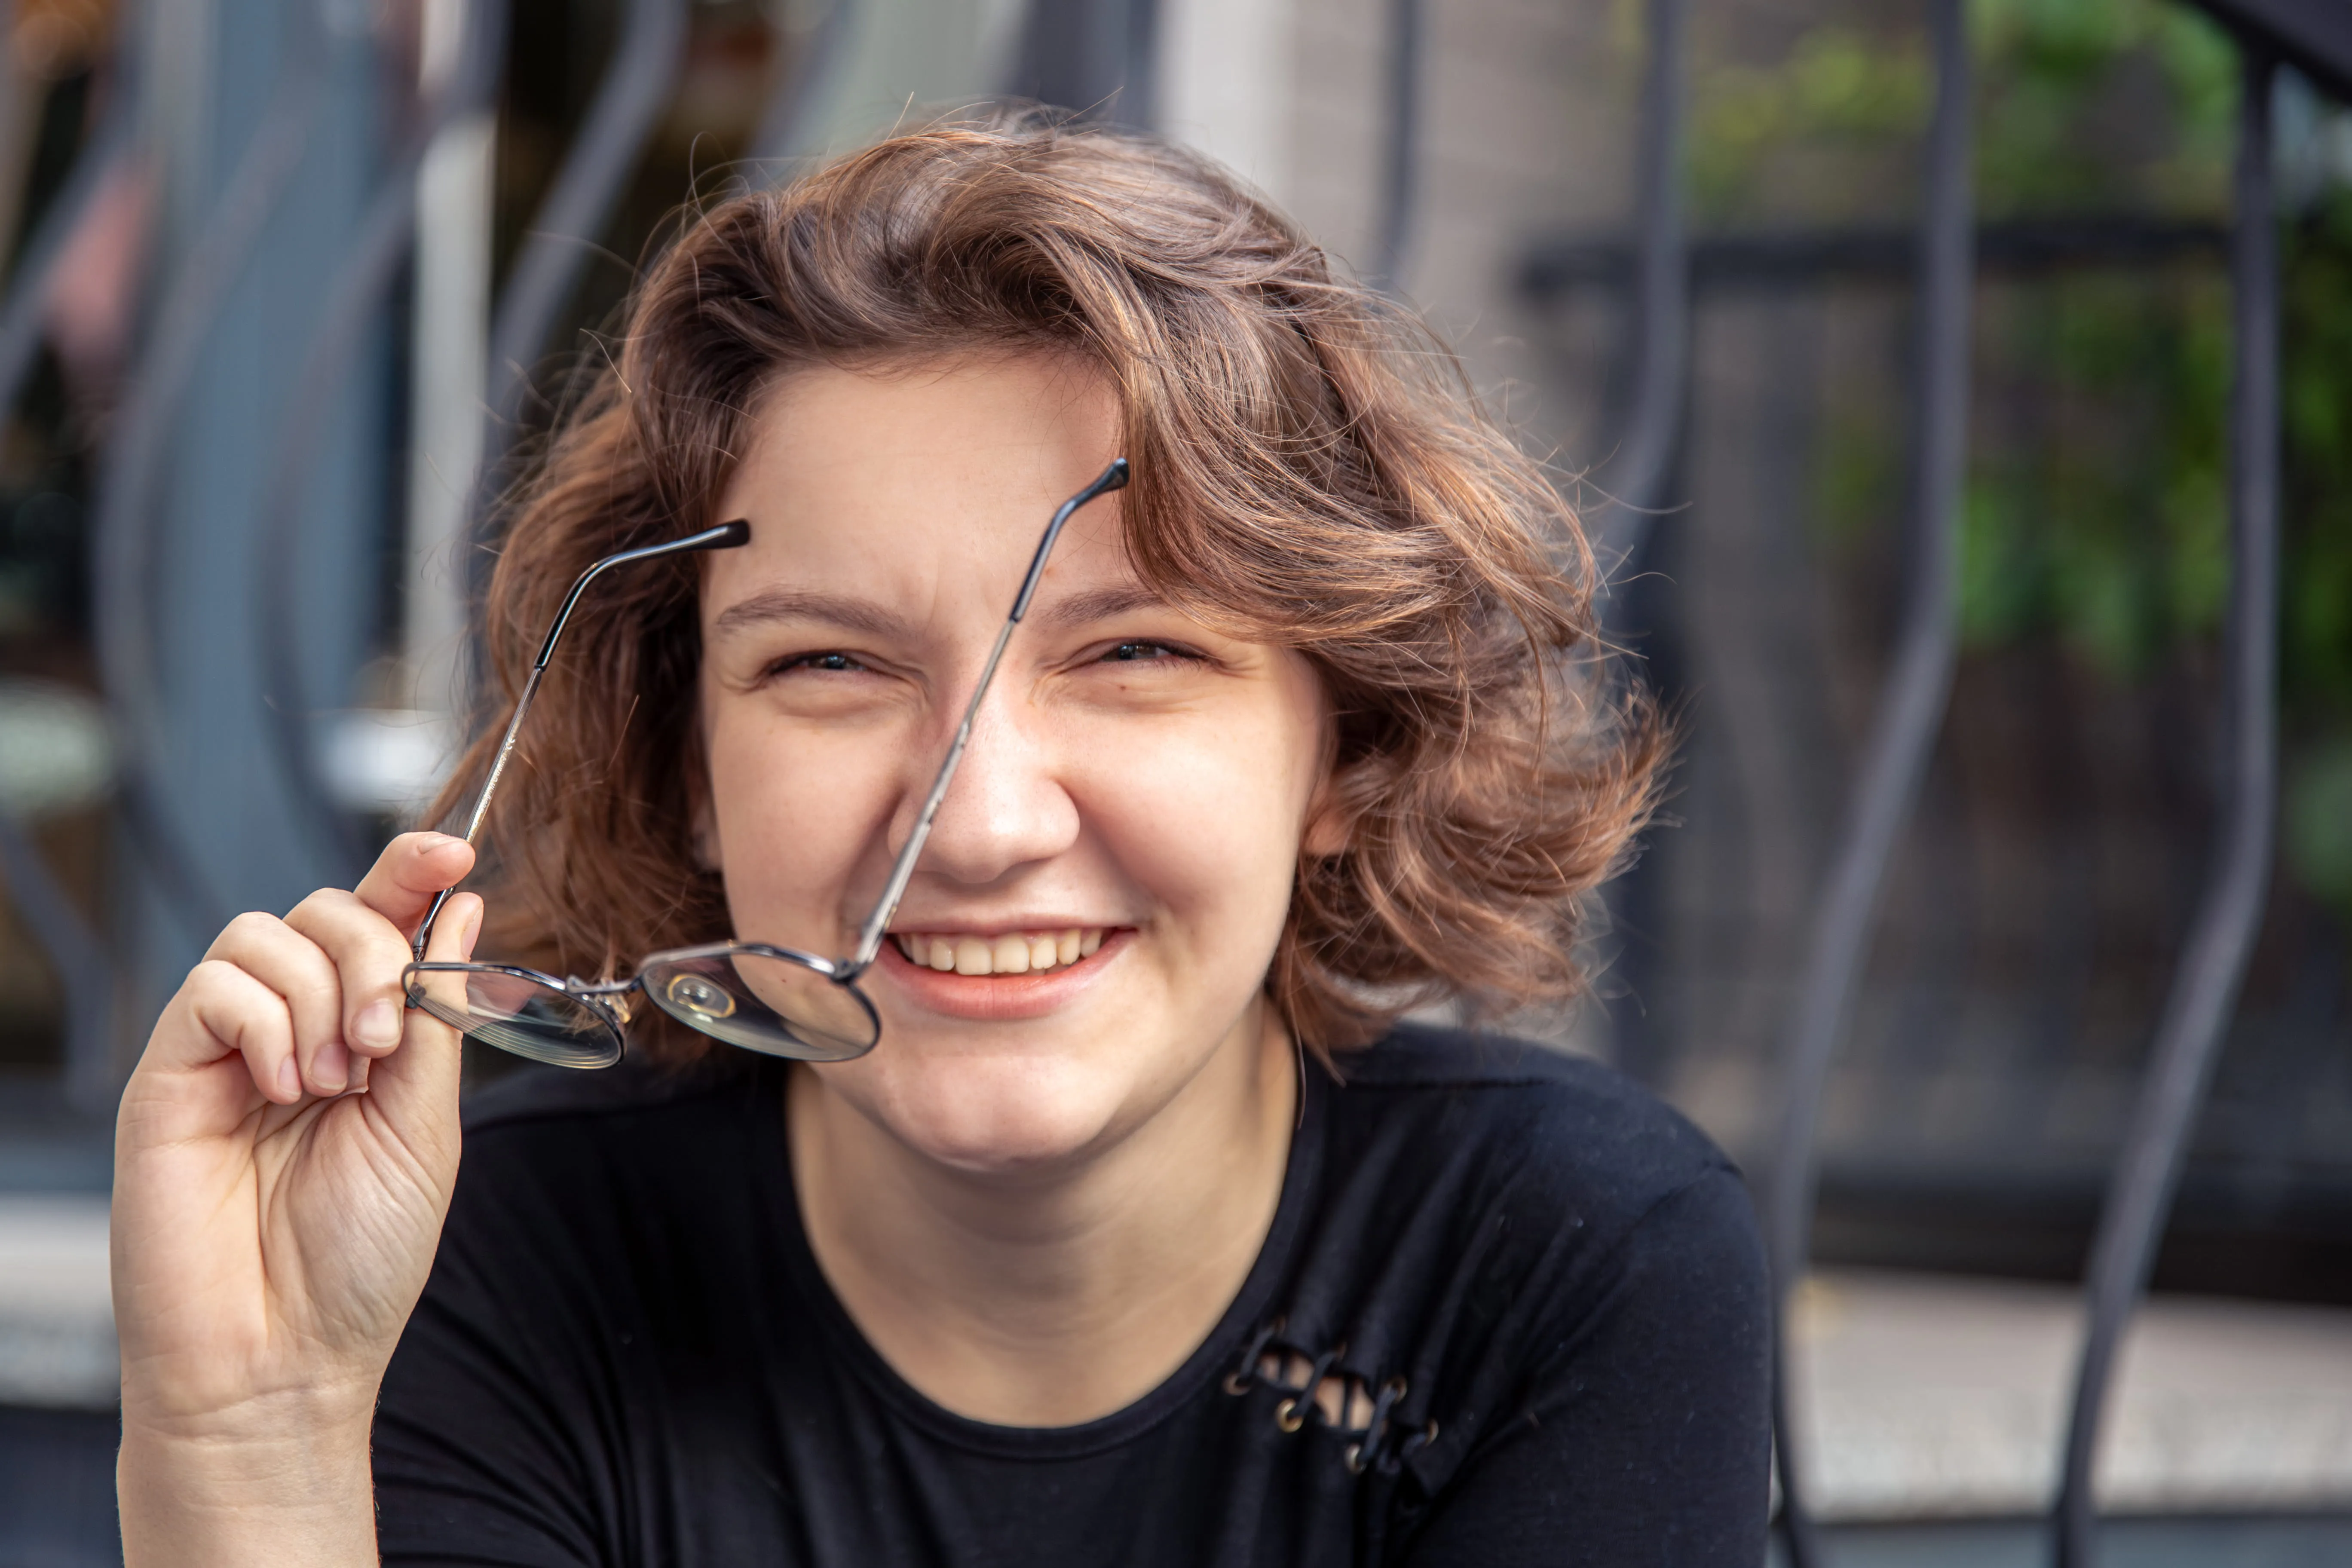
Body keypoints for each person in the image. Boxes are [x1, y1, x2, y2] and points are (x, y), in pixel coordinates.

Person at [110, 113, 1770, 1566]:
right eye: (832, 665)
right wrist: (253, 1438)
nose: (976, 828)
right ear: (687, 755)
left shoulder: (1565, 1260)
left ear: (1342, 748)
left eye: (1136, 657)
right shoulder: (491, 1262)